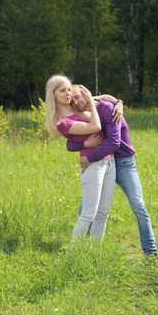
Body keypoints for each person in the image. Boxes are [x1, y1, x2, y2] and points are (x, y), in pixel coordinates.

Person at [67, 88, 158, 256]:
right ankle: (85, 251)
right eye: (72, 102)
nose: (76, 103)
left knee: (138, 205)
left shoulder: (108, 107)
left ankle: (150, 252)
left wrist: (119, 103)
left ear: (84, 91)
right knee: (86, 211)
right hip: (102, 163)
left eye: (77, 97)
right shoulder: (83, 116)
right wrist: (85, 145)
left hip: (123, 162)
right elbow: (70, 144)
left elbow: (114, 142)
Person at [45, 75, 116, 241]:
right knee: (89, 213)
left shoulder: (75, 109)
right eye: (63, 90)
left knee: (103, 213)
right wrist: (90, 100)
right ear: (53, 94)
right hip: (91, 165)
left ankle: (94, 252)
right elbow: (96, 126)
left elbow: (104, 99)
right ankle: (73, 254)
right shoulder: (62, 122)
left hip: (109, 161)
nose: (68, 93)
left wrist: (118, 104)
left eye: (69, 89)